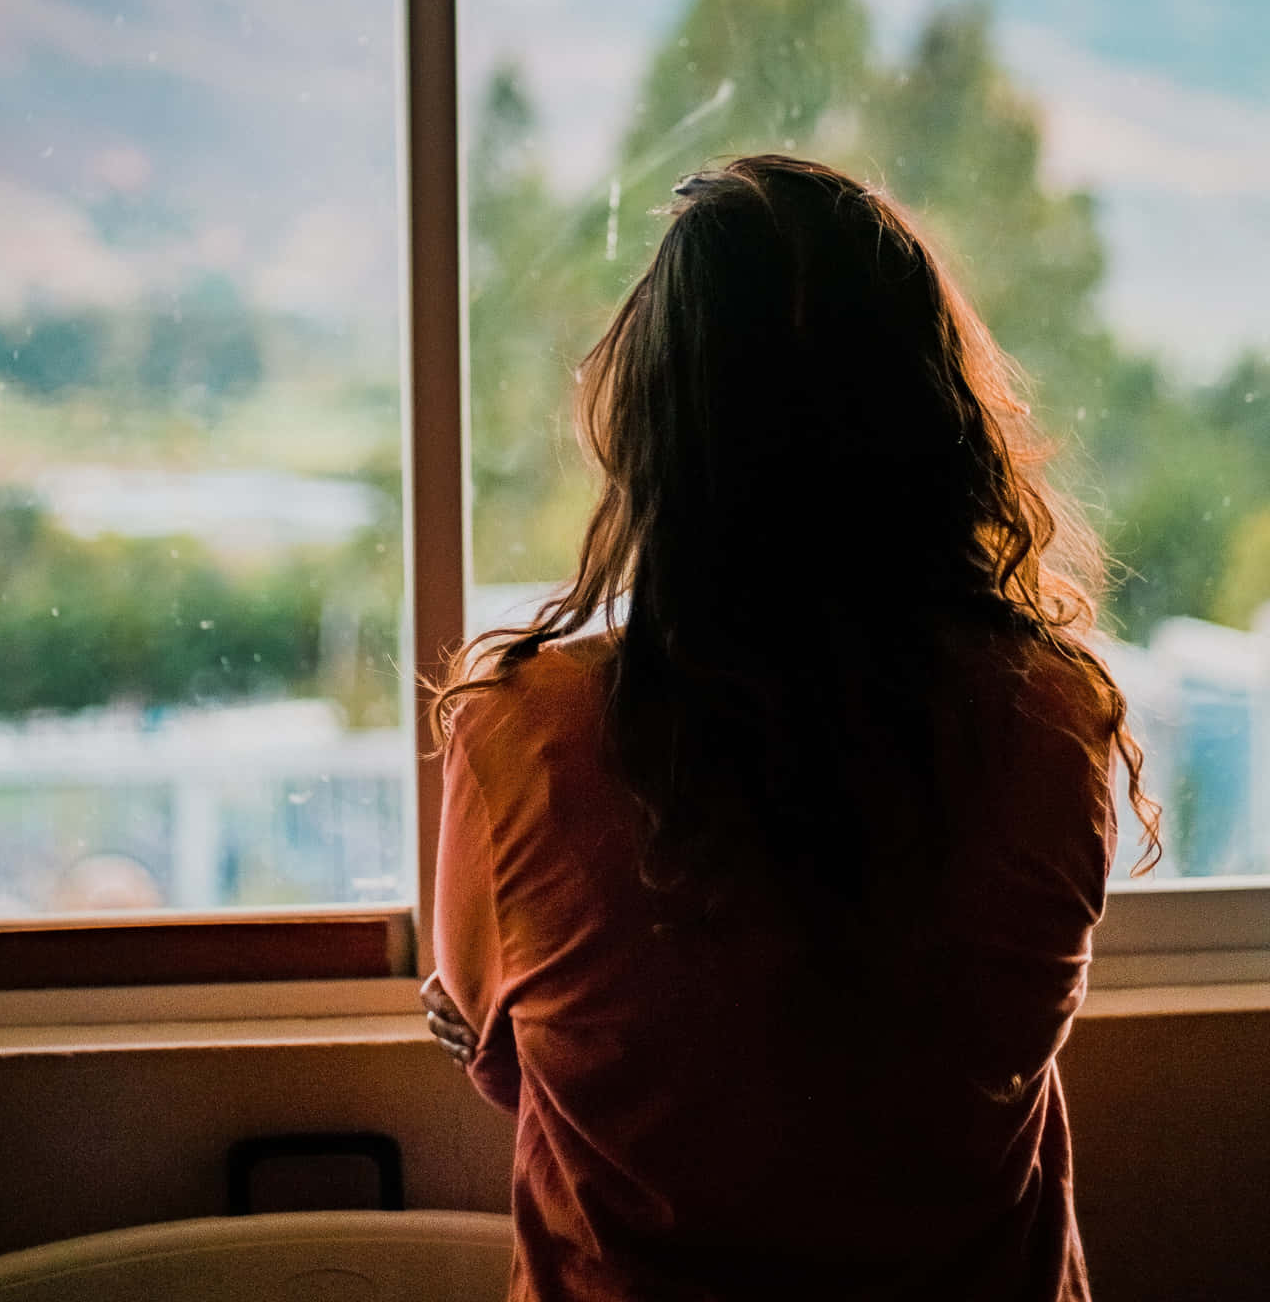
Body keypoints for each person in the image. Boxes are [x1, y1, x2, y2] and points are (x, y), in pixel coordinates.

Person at [422, 153, 1160, 1302]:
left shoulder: (522, 735)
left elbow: (507, 1058)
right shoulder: (1055, 718)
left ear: (658, 435)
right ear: (932, 421)